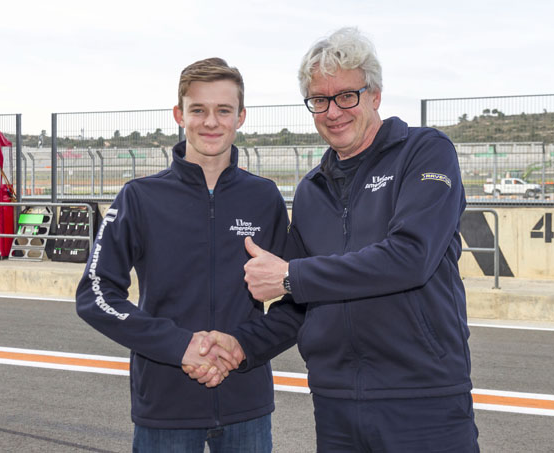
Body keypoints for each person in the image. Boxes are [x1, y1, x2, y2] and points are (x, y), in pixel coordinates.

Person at [194, 27, 480, 452]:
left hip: (423, 401)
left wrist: (289, 276)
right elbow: (298, 303)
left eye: (347, 95)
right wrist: (242, 345)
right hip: (336, 406)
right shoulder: (312, 189)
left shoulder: (424, 151)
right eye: (319, 100)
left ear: (375, 95)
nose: (333, 112)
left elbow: (411, 257)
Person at [76, 57, 288, 452]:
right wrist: (179, 346)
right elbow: (95, 293)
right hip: (165, 407)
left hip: (246, 404)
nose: (211, 122)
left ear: (240, 117)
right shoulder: (140, 197)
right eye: (198, 110)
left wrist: (242, 346)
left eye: (223, 110)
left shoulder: (264, 197)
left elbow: (295, 299)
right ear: (179, 115)